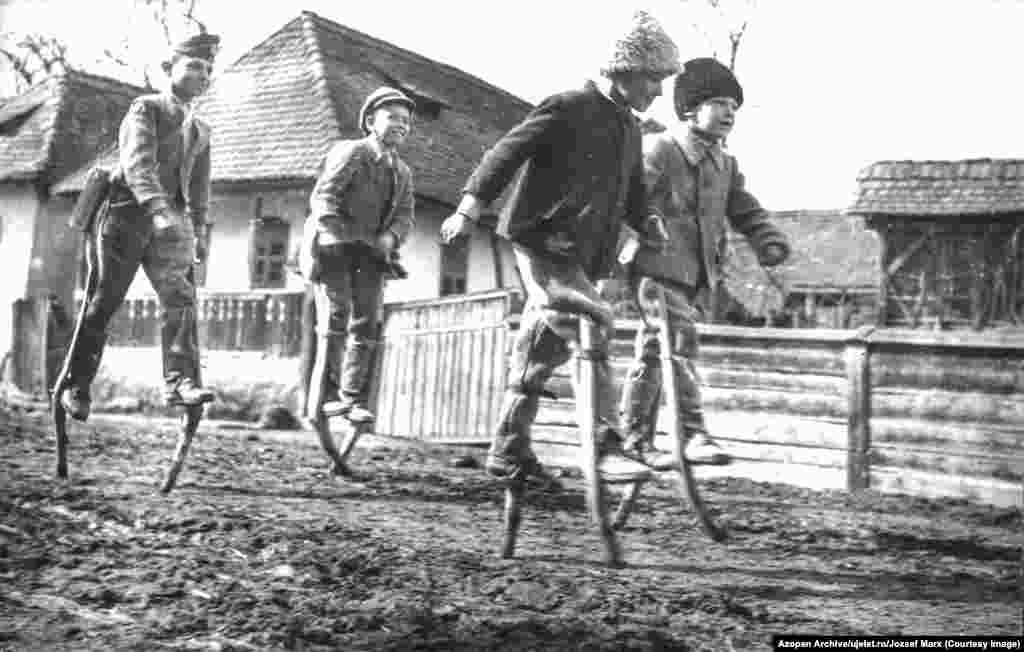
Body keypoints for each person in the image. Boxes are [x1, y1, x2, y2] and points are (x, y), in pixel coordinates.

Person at [440, 11, 680, 484]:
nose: (658, 91)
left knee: (541, 348)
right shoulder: (570, 105)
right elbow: (505, 152)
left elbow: (632, 193)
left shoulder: (631, 129)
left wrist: (648, 221)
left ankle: (508, 451)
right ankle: (606, 442)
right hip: (541, 241)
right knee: (594, 318)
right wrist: (468, 209)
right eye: (654, 79)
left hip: (582, 257)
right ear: (626, 71)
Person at [617, 57, 791, 469]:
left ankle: (634, 440)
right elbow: (627, 199)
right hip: (655, 270)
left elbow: (743, 207)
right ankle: (693, 433)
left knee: (653, 354)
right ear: (690, 109)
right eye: (719, 102)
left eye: (734, 105)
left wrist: (766, 238)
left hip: (694, 277)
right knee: (679, 341)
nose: (730, 112)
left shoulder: (724, 163)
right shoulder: (661, 150)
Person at [60, 32, 221, 421]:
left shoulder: (201, 130)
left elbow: (199, 188)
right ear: (170, 69)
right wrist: (157, 208)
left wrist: (196, 230)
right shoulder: (146, 109)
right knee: (105, 300)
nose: (202, 74)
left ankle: (179, 382)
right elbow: (137, 164)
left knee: (180, 299)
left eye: (207, 69)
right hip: (126, 216)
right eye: (194, 66)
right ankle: (76, 385)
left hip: (170, 227)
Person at [299, 87, 416, 424]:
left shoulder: (402, 171)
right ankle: (328, 394)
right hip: (336, 247)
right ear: (370, 121)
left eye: (406, 122)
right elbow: (324, 198)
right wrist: (338, 234)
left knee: (368, 322)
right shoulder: (353, 152)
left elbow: (405, 216)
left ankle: (352, 397)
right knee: (337, 315)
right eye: (392, 118)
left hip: (372, 256)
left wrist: (390, 238)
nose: (401, 126)